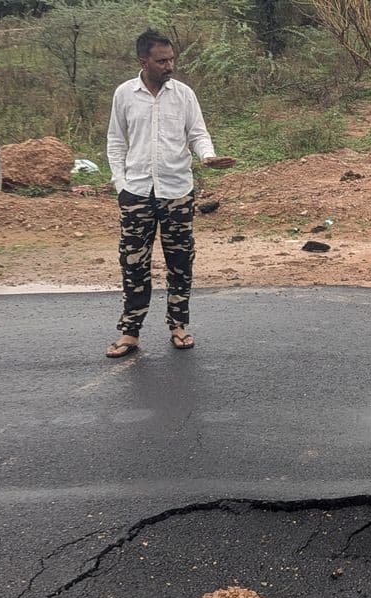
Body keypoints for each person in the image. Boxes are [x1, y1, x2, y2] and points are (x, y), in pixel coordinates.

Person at [104, 30, 236, 359]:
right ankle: (130, 332)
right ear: (143, 61)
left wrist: (207, 156)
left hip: (177, 192)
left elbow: (198, 134)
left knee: (180, 262)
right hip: (136, 192)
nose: (169, 66)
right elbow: (116, 143)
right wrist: (121, 185)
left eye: (172, 59)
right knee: (134, 264)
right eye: (162, 60)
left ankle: (178, 325)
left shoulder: (184, 95)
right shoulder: (124, 95)